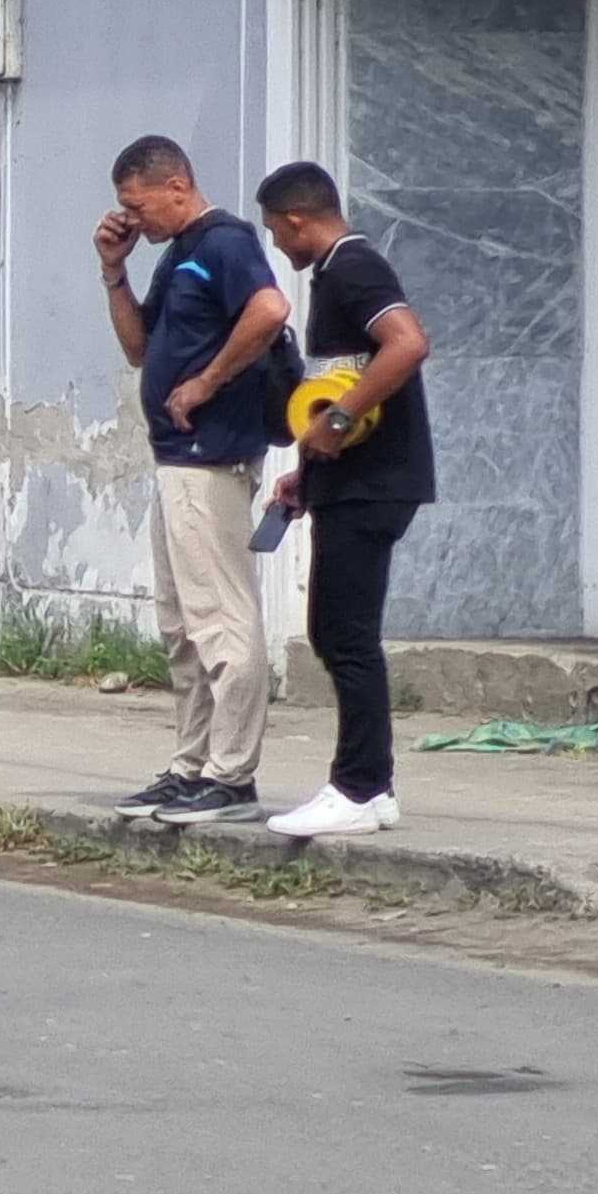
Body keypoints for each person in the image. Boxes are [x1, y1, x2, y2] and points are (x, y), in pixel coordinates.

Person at [95, 134, 289, 824]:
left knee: (220, 618)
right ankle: (191, 764)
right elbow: (139, 347)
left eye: (136, 204)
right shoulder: (177, 257)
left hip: (211, 456)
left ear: (176, 185)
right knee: (181, 624)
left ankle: (232, 776)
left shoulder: (222, 242)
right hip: (174, 459)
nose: (132, 219)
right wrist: (114, 271)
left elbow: (270, 311)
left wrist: (206, 382)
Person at [252, 162, 437, 840]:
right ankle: (373, 789)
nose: (278, 246)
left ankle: (358, 787)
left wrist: (334, 425)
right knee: (340, 632)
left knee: (344, 635)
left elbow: (408, 344)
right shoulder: (335, 274)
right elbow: (340, 382)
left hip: (374, 484)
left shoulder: (354, 268)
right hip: (351, 481)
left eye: (277, 232)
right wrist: (309, 468)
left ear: (298, 220)